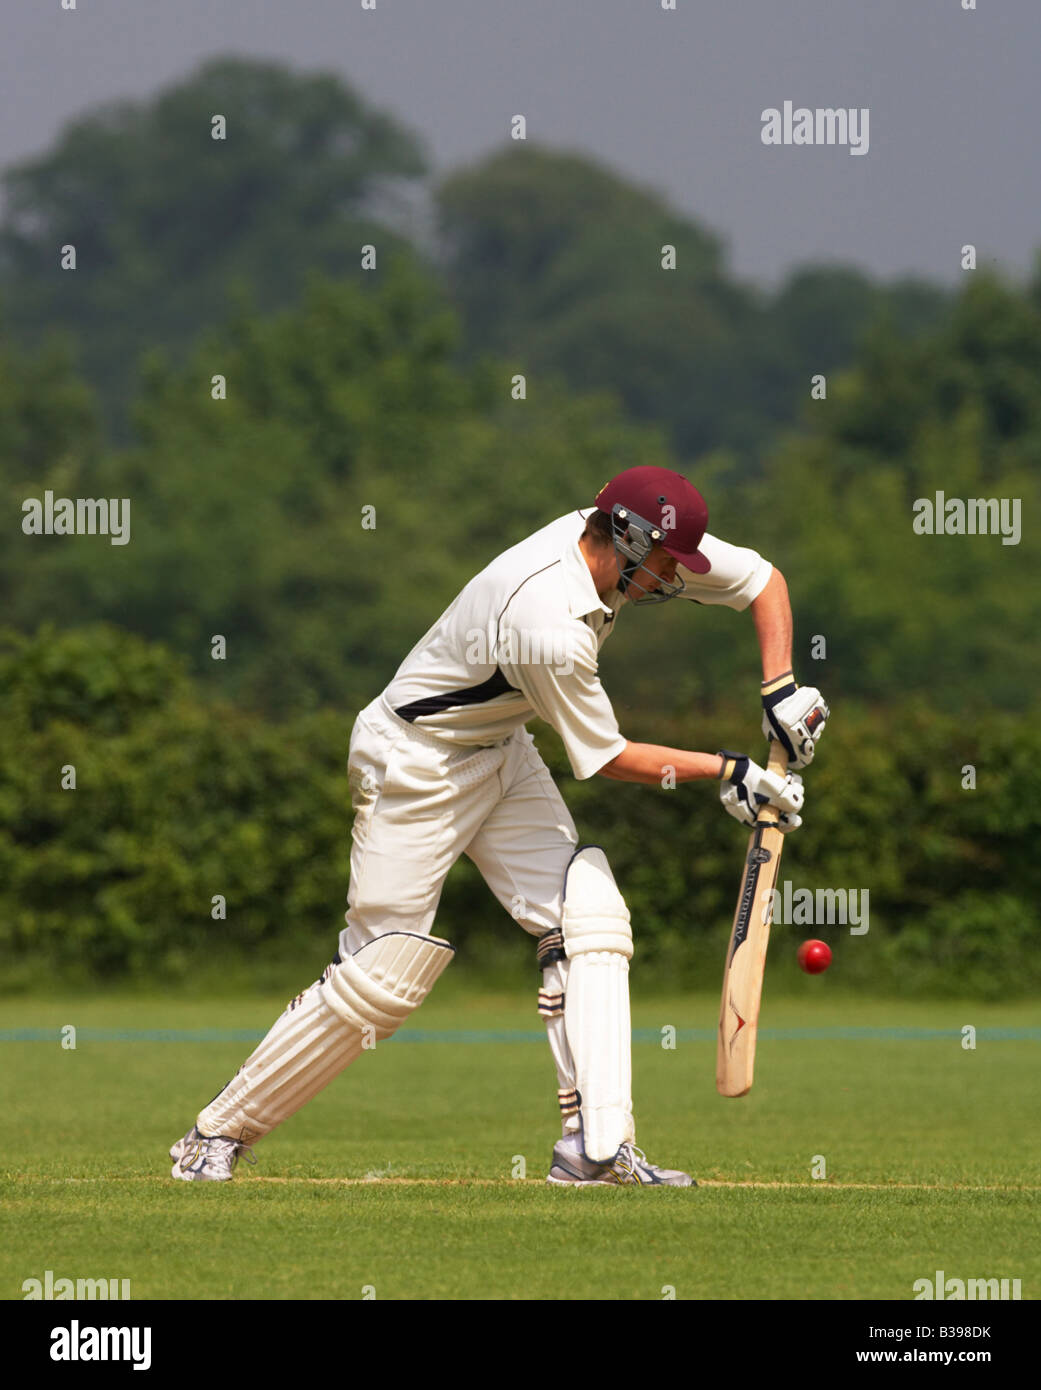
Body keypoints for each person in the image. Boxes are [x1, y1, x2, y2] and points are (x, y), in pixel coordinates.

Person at [170, 466, 828, 1186]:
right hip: (414, 763)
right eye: (667, 562)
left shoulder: (620, 537)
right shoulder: (546, 622)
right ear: (626, 539)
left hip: (500, 748)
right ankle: (215, 1135)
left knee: (590, 919)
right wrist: (729, 771)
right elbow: (605, 756)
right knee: (382, 976)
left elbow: (762, 581)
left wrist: (780, 689)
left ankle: (597, 1149)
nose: (674, 578)